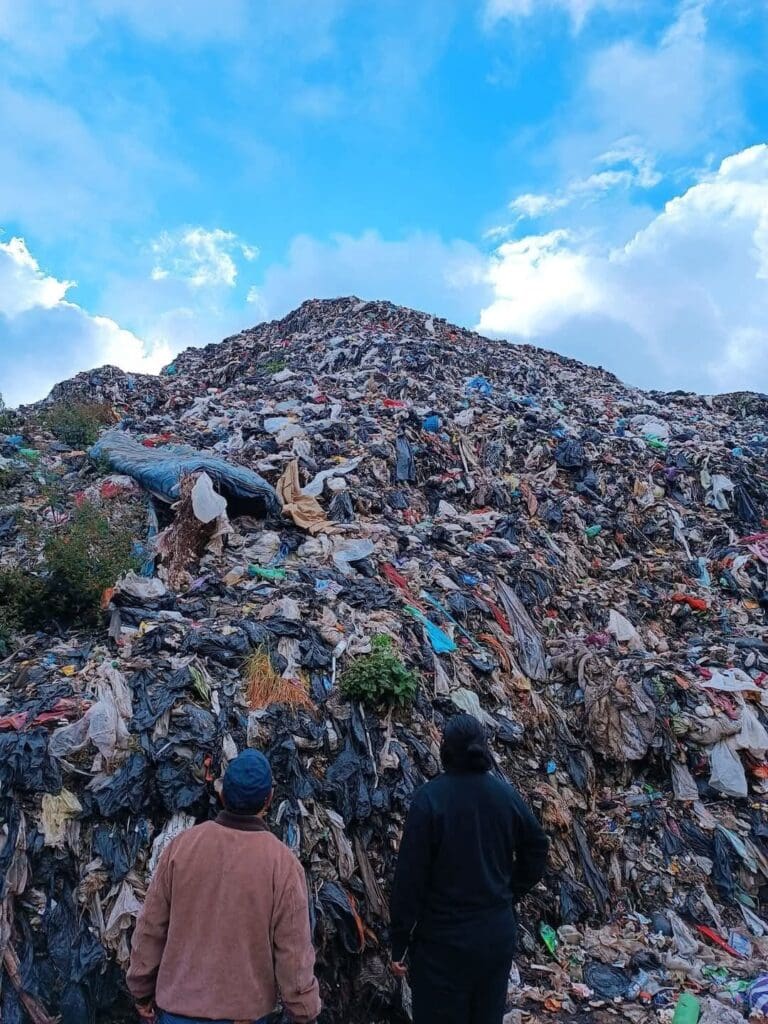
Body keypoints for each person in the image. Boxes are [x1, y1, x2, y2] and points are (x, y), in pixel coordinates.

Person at [127, 749, 321, 1024]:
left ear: (222, 795)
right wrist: (304, 1012)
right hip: (243, 1015)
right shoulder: (283, 864)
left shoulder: (182, 847)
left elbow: (150, 928)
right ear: (268, 800)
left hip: (178, 1012)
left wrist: (141, 991)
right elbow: (294, 953)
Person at [389, 714, 549, 1024]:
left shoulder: (430, 801)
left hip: (443, 947)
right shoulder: (504, 795)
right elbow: (537, 846)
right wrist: (510, 892)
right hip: (495, 937)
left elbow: (409, 881)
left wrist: (399, 942)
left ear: (446, 750)